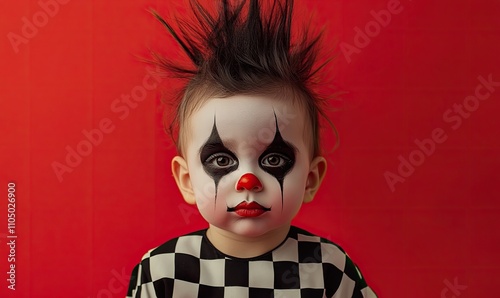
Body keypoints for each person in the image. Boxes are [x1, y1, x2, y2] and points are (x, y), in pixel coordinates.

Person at [127, 0, 377, 297]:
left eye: (273, 159)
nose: (249, 181)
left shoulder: (328, 269)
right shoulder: (162, 270)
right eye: (221, 159)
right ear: (187, 180)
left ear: (310, 178)